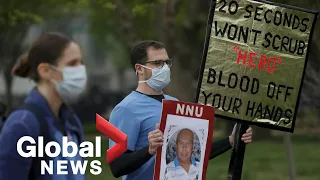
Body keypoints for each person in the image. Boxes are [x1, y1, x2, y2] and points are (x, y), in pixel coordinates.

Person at [108, 40, 253, 180]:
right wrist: (149, 150)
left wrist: (230, 141)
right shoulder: (125, 109)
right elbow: (116, 167)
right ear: (139, 69)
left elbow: (192, 154)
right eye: (157, 63)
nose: (164, 68)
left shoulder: (174, 103)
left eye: (167, 62)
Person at [0, 32, 87, 180]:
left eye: (80, 62)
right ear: (45, 71)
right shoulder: (22, 124)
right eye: (72, 64)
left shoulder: (71, 122)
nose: (81, 70)